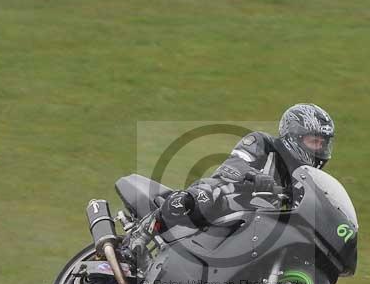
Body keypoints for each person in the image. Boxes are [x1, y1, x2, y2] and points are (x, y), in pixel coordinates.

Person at [126, 103, 335, 259]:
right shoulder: (262, 142)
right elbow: (233, 165)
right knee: (208, 194)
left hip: (253, 230)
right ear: (294, 135)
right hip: (228, 202)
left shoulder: (303, 179)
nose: (320, 150)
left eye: (323, 143)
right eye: (314, 141)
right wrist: (254, 176)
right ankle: (145, 229)